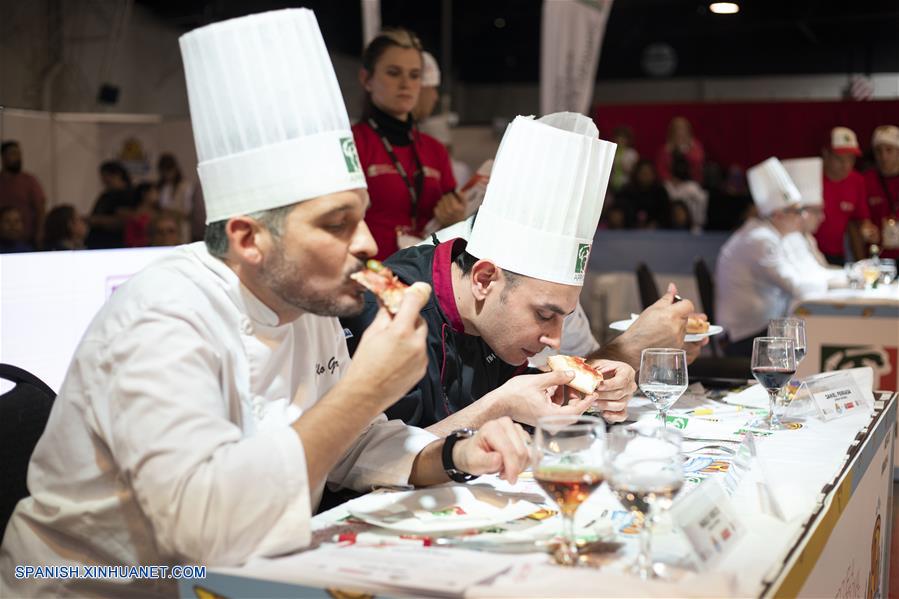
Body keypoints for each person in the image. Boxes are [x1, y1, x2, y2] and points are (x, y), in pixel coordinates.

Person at [0, 10, 529, 596]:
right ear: (250, 239)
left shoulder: (308, 301)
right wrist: (365, 388)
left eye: (360, 215)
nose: (367, 244)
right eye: (337, 223)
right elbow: (203, 531)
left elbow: (351, 444)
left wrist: (454, 454)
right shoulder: (164, 317)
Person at [343, 112, 641, 434]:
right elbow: (371, 459)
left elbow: (512, 401)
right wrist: (500, 406)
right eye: (544, 314)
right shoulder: (388, 310)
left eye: (563, 317)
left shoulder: (496, 326)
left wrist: (583, 391)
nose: (556, 342)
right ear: (484, 279)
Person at [353, 29, 465, 259]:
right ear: (366, 79)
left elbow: (451, 230)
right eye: (393, 73)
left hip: (428, 275)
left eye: (414, 75)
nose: (406, 84)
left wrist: (456, 219)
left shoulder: (435, 150)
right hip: (372, 277)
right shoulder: (352, 143)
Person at [716, 157, 830, 357]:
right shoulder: (761, 240)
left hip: (760, 327)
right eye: (796, 211)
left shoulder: (769, 235)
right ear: (778, 215)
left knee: (808, 334)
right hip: (744, 336)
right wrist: (836, 281)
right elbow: (795, 286)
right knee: (809, 339)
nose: (801, 217)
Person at [814, 127, 876, 265]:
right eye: (839, 159)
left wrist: (868, 230)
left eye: (851, 159)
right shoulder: (811, 177)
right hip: (808, 254)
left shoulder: (857, 181)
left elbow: (860, 219)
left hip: (837, 255)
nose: (846, 165)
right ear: (826, 154)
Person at [782, 157, 848, 286]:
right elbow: (807, 282)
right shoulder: (787, 240)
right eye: (817, 211)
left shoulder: (808, 238)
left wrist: (854, 272)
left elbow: (823, 270)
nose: (822, 217)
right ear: (802, 212)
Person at [0, 140, 47, 247]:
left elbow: (41, 209)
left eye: (19, 154)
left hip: (27, 239)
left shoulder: (29, 180)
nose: (18, 157)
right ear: (3, 157)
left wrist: (40, 232)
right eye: (13, 153)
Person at [865, 125, 899, 260]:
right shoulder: (866, 180)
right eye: (878, 151)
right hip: (878, 256)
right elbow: (858, 221)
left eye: (889, 150)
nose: (883, 156)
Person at [86, 161, 135, 249]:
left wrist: (97, 220)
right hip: (98, 242)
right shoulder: (105, 195)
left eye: (105, 175)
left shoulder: (128, 195)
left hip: (115, 242)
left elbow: (123, 220)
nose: (103, 179)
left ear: (117, 175)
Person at [616, 159, 670, 228]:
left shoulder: (660, 192)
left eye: (648, 173)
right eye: (643, 173)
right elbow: (621, 210)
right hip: (628, 231)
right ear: (636, 174)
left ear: (654, 174)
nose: (645, 176)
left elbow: (665, 214)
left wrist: (656, 224)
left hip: (656, 233)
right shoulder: (627, 191)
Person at [663, 152, 708, 231]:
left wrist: (698, 222)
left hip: (692, 226)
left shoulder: (692, 187)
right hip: (669, 226)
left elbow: (702, 205)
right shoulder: (666, 186)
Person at [156, 153, 196, 242]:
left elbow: (187, 212)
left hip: (180, 227)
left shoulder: (185, 186)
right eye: (164, 171)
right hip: (164, 227)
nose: (167, 174)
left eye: (169, 170)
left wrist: (171, 212)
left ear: (175, 169)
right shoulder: (162, 187)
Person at [656, 116, 705, 183]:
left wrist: (685, 150)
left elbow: (698, 163)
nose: (680, 132)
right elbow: (661, 170)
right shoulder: (665, 149)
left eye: (683, 129)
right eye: (677, 129)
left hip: (692, 182)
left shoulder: (695, 146)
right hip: (671, 183)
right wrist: (671, 179)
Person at [123, 182, 160, 247]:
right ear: (144, 194)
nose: (157, 195)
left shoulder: (159, 212)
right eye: (154, 192)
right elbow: (129, 240)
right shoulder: (134, 215)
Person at [609, 125, 639, 193]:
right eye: (618, 137)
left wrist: (627, 168)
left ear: (628, 140)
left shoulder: (632, 154)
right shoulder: (611, 152)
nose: (620, 140)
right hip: (610, 184)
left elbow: (635, 172)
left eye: (623, 138)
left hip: (627, 185)